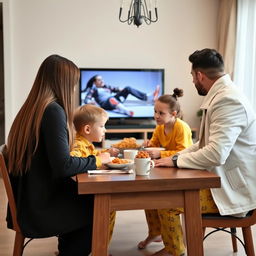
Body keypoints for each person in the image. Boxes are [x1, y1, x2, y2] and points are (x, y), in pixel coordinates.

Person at [154, 48, 256, 256]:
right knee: (163, 194)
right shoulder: (224, 95)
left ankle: (177, 252)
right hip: (222, 181)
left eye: (192, 76)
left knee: (165, 200)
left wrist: (174, 162)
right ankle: (176, 249)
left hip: (235, 191)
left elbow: (216, 154)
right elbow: (203, 143)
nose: (192, 81)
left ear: (199, 75)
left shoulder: (228, 100)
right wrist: (174, 158)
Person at [6, 55, 97, 256]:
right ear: (63, 83)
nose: (74, 89)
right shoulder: (53, 111)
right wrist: (95, 161)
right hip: (39, 209)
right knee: (95, 205)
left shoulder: (32, 108)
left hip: (28, 201)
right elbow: (63, 166)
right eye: (73, 84)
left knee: (84, 197)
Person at [137, 89, 193, 256]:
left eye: (161, 113)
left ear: (173, 114)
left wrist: (161, 153)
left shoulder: (181, 127)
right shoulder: (160, 127)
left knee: (164, 203)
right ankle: (155, 233)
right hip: (165, 169)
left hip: (183, 173)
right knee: (149, 198)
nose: (156, 116)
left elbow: (185, 151)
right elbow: (154, 143)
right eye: (155, 111)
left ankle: (172, 248)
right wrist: (147, 146)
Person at [70, 104, 118, 244]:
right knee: (109, 206)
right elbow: (75, 160)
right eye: (102, 126)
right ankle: (101, 246)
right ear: (87, 129)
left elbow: (90, 155)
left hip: (84, 190)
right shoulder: (78, 145)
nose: (105, 130)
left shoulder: (85, 143)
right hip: (80, 195)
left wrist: (104, 153)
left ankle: (97, 244)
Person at [82, 75, 160, 116]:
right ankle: (126, 111)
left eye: (102, 79)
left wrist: (125, 90)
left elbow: (117, 89)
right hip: (106, 104)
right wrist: (90, 102)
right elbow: (86, 99)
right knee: (111, 99)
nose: (102, 81)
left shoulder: (107, 87)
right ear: (95, 82)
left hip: (114, 100)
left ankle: (148, 97)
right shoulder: (94, 89)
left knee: (128, 88)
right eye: (99, 80)